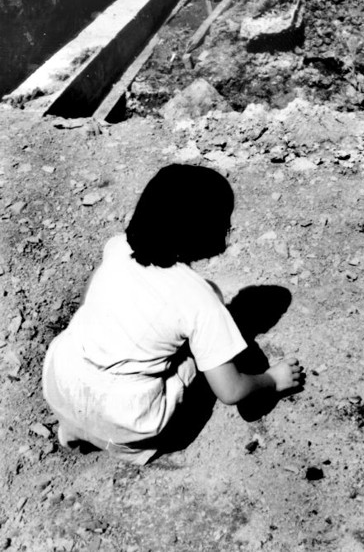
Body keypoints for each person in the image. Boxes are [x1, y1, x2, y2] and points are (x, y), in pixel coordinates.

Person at [42, 164, 304, 465]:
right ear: (206, 231)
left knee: (82, 338)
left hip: (62, 387)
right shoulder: (199, 300)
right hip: (128, 423)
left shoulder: (116, 247)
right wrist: (271, 379)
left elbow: (90, 304)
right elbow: (230, 390)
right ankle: (122, 442)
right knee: (194, 363)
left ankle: (74, 429)